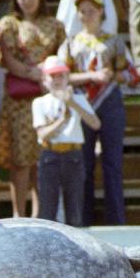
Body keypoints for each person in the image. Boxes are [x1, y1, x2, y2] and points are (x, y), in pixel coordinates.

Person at [62, 0, 136, 226]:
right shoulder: (71, 43)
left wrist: (113, 74)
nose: (86, 16)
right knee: (83, 164)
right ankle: (82, 221)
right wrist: (91, 76)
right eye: (82, 12)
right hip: (83, 104)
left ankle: (116, 221)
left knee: (112, 163)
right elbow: (63, 77)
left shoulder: (113, 41)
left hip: (110, 102)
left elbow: (129, 74)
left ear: (101, 12)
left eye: (91, 11)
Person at [0, 0, 64, 219]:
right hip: (20, 100)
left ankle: (40, 214)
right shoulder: (9, 24)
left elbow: (62, 55)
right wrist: (35, 74)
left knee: (42, 157)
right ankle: (18, 213)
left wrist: (50, 77)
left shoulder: (54, 25)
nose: (26, 1)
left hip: (48, 96)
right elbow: (7, 58)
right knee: (21, 159)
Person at [31, 55, 100, 227]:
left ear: (67, 77)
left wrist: (72, 103)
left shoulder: (78, 99)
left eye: (60, 75)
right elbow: (43, 134)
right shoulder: (39, 102)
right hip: (50, 154)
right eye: (52, 76)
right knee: (47, 209)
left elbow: (95, 123)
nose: (57, 80)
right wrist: (62, 120)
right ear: (44, 79)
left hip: (73, 154)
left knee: (75, 209)